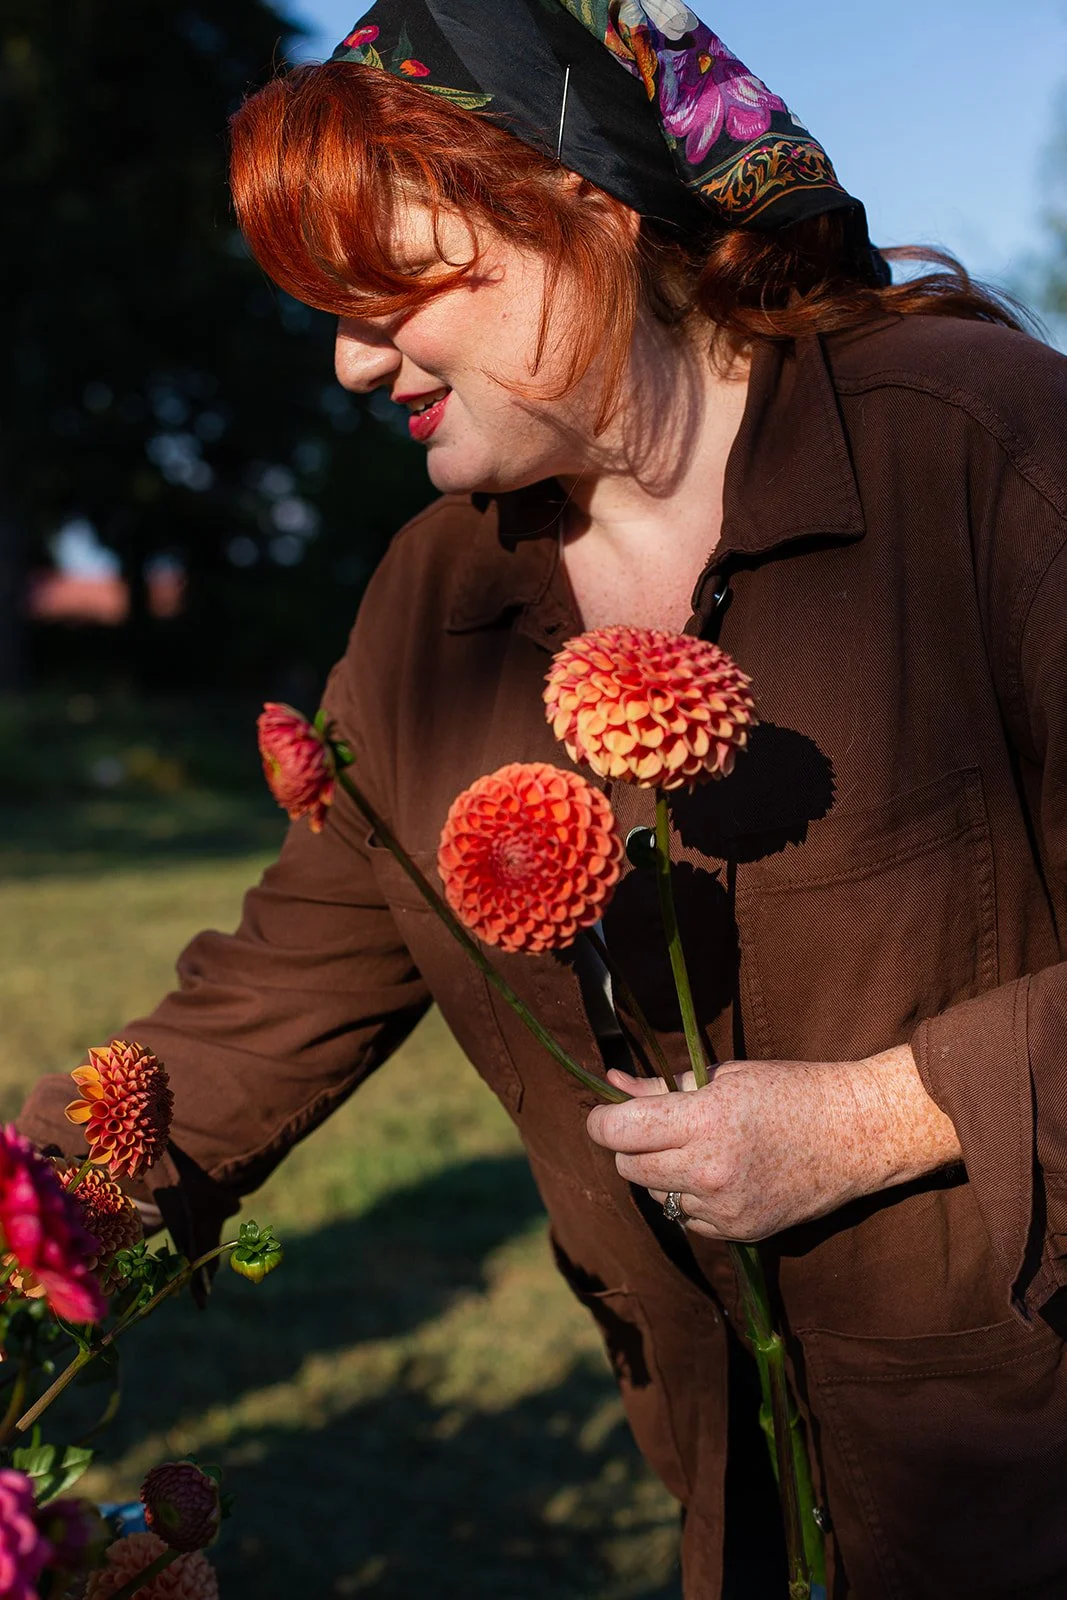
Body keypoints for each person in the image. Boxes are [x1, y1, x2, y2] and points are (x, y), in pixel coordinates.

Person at [20, 2, 1067, 1595]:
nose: (351, 357)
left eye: (385, 288)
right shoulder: (437, 597)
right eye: (325, 305)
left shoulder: (984, 450)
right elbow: (265, 1002)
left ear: (579, 193)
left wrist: (884, 1114)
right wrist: (25, 1234)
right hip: (738, 1508)